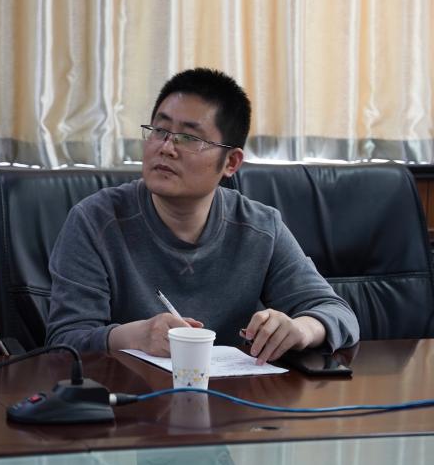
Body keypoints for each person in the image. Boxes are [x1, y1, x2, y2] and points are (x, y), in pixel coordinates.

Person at [46, 68, 359, 364]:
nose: (166, 147)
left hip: (233, 396)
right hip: (127, 396)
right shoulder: (95, 221)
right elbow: (64, 342)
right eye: (159, 130)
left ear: (231, 162)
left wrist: (300, 329)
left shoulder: (260, 227)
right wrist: (134, 336)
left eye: (188, 138)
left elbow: (337, 312)